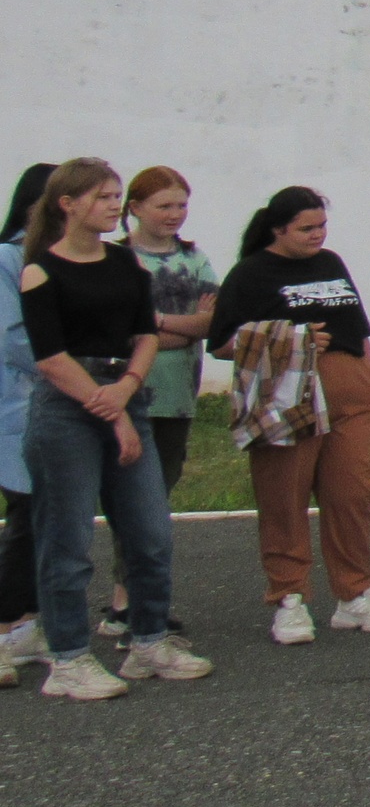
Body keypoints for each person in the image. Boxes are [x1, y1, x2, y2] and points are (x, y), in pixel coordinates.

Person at [17, 157, 211, 698]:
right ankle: (69, 660)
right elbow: (51, 357)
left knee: (150, 531)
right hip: (65, 409)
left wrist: (127, 390)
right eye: (104, 197)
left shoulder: (128, 266)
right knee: (68, 541)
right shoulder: (41, 271)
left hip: (124, 394)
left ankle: (148, 642)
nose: (112, 206)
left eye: (116, 196)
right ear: (69, 204)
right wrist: (113, 410)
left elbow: (145, 333)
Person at [207, 186, 370, 644]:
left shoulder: (331, 263)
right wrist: (290, 338)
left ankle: (355, 594)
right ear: (278, 229)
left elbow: (359, 326)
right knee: (284, 497)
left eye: (322, 226)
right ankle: (289, 598)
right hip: (288, 394)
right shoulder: (251, 273)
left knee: (351, 495)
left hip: (350, 394)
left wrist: (369, 382)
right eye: (306, 228)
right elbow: (221, 343)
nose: (317, 235)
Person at [105, 165, 220, 638]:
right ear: (134, 208)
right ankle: (124, 601)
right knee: (129, 498)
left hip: (176, 396)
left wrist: (152, 326)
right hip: (126, 392)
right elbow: (116, 327)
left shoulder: (195, 259)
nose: (175, 214)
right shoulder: (114, 260)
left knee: (158, 493)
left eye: (181, 205)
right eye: (164, 206)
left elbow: (210, 322)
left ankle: (135, 599)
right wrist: (173, 325)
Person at [0, 162, 55, 685]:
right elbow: (14, 338)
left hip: (57, 403)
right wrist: (70, 364)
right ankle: (8, 623)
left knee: (48, 517)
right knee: (28, 512)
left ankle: (30, 621)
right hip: (17, 405)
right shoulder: (8, 258)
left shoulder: (60, 258)